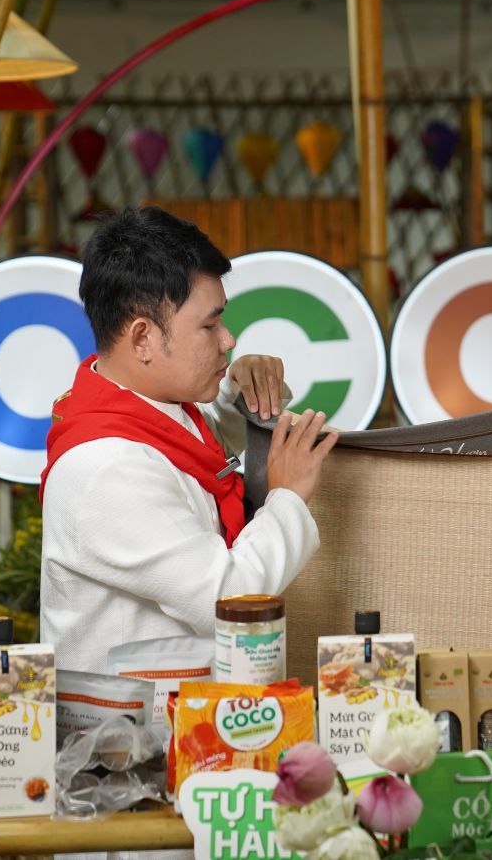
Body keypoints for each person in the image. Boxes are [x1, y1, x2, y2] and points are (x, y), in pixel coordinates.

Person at [40, 207, 338, 672]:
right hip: (131, 718)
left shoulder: (145, 412)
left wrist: (241, 393)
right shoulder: (107, 467)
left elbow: (197, 455)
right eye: (209, 326)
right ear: (143, 338)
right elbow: (229, 598)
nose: (228, 340)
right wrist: (287, 497)